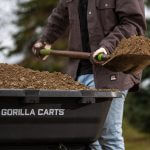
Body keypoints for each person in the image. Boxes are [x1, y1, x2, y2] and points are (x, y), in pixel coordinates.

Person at [32, 0, 146, 149]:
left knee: (109, 135)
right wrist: (46, 39)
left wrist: (107, 47)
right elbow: (60, 15)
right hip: (78, 74)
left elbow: (133, 24)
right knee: (87, 138)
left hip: (110, 73)